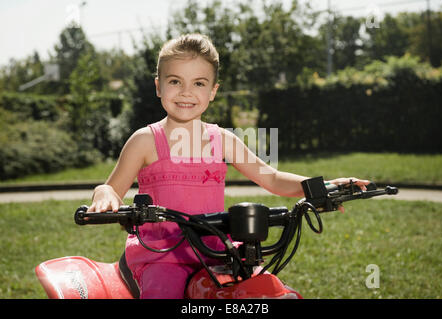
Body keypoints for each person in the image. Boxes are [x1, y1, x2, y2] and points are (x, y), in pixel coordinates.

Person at [88, 33, 370, 299]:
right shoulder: (145, 140)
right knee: (164, 291)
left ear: (213, 91)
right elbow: (112, 188)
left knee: (264, 287)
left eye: (199, 83)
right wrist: (104, 193)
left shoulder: (222, 139)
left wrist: (324, 187)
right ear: (159, 86)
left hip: (216, 251)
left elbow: (270, 178)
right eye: (175, 81)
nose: (187, 92)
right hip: (163, 255)